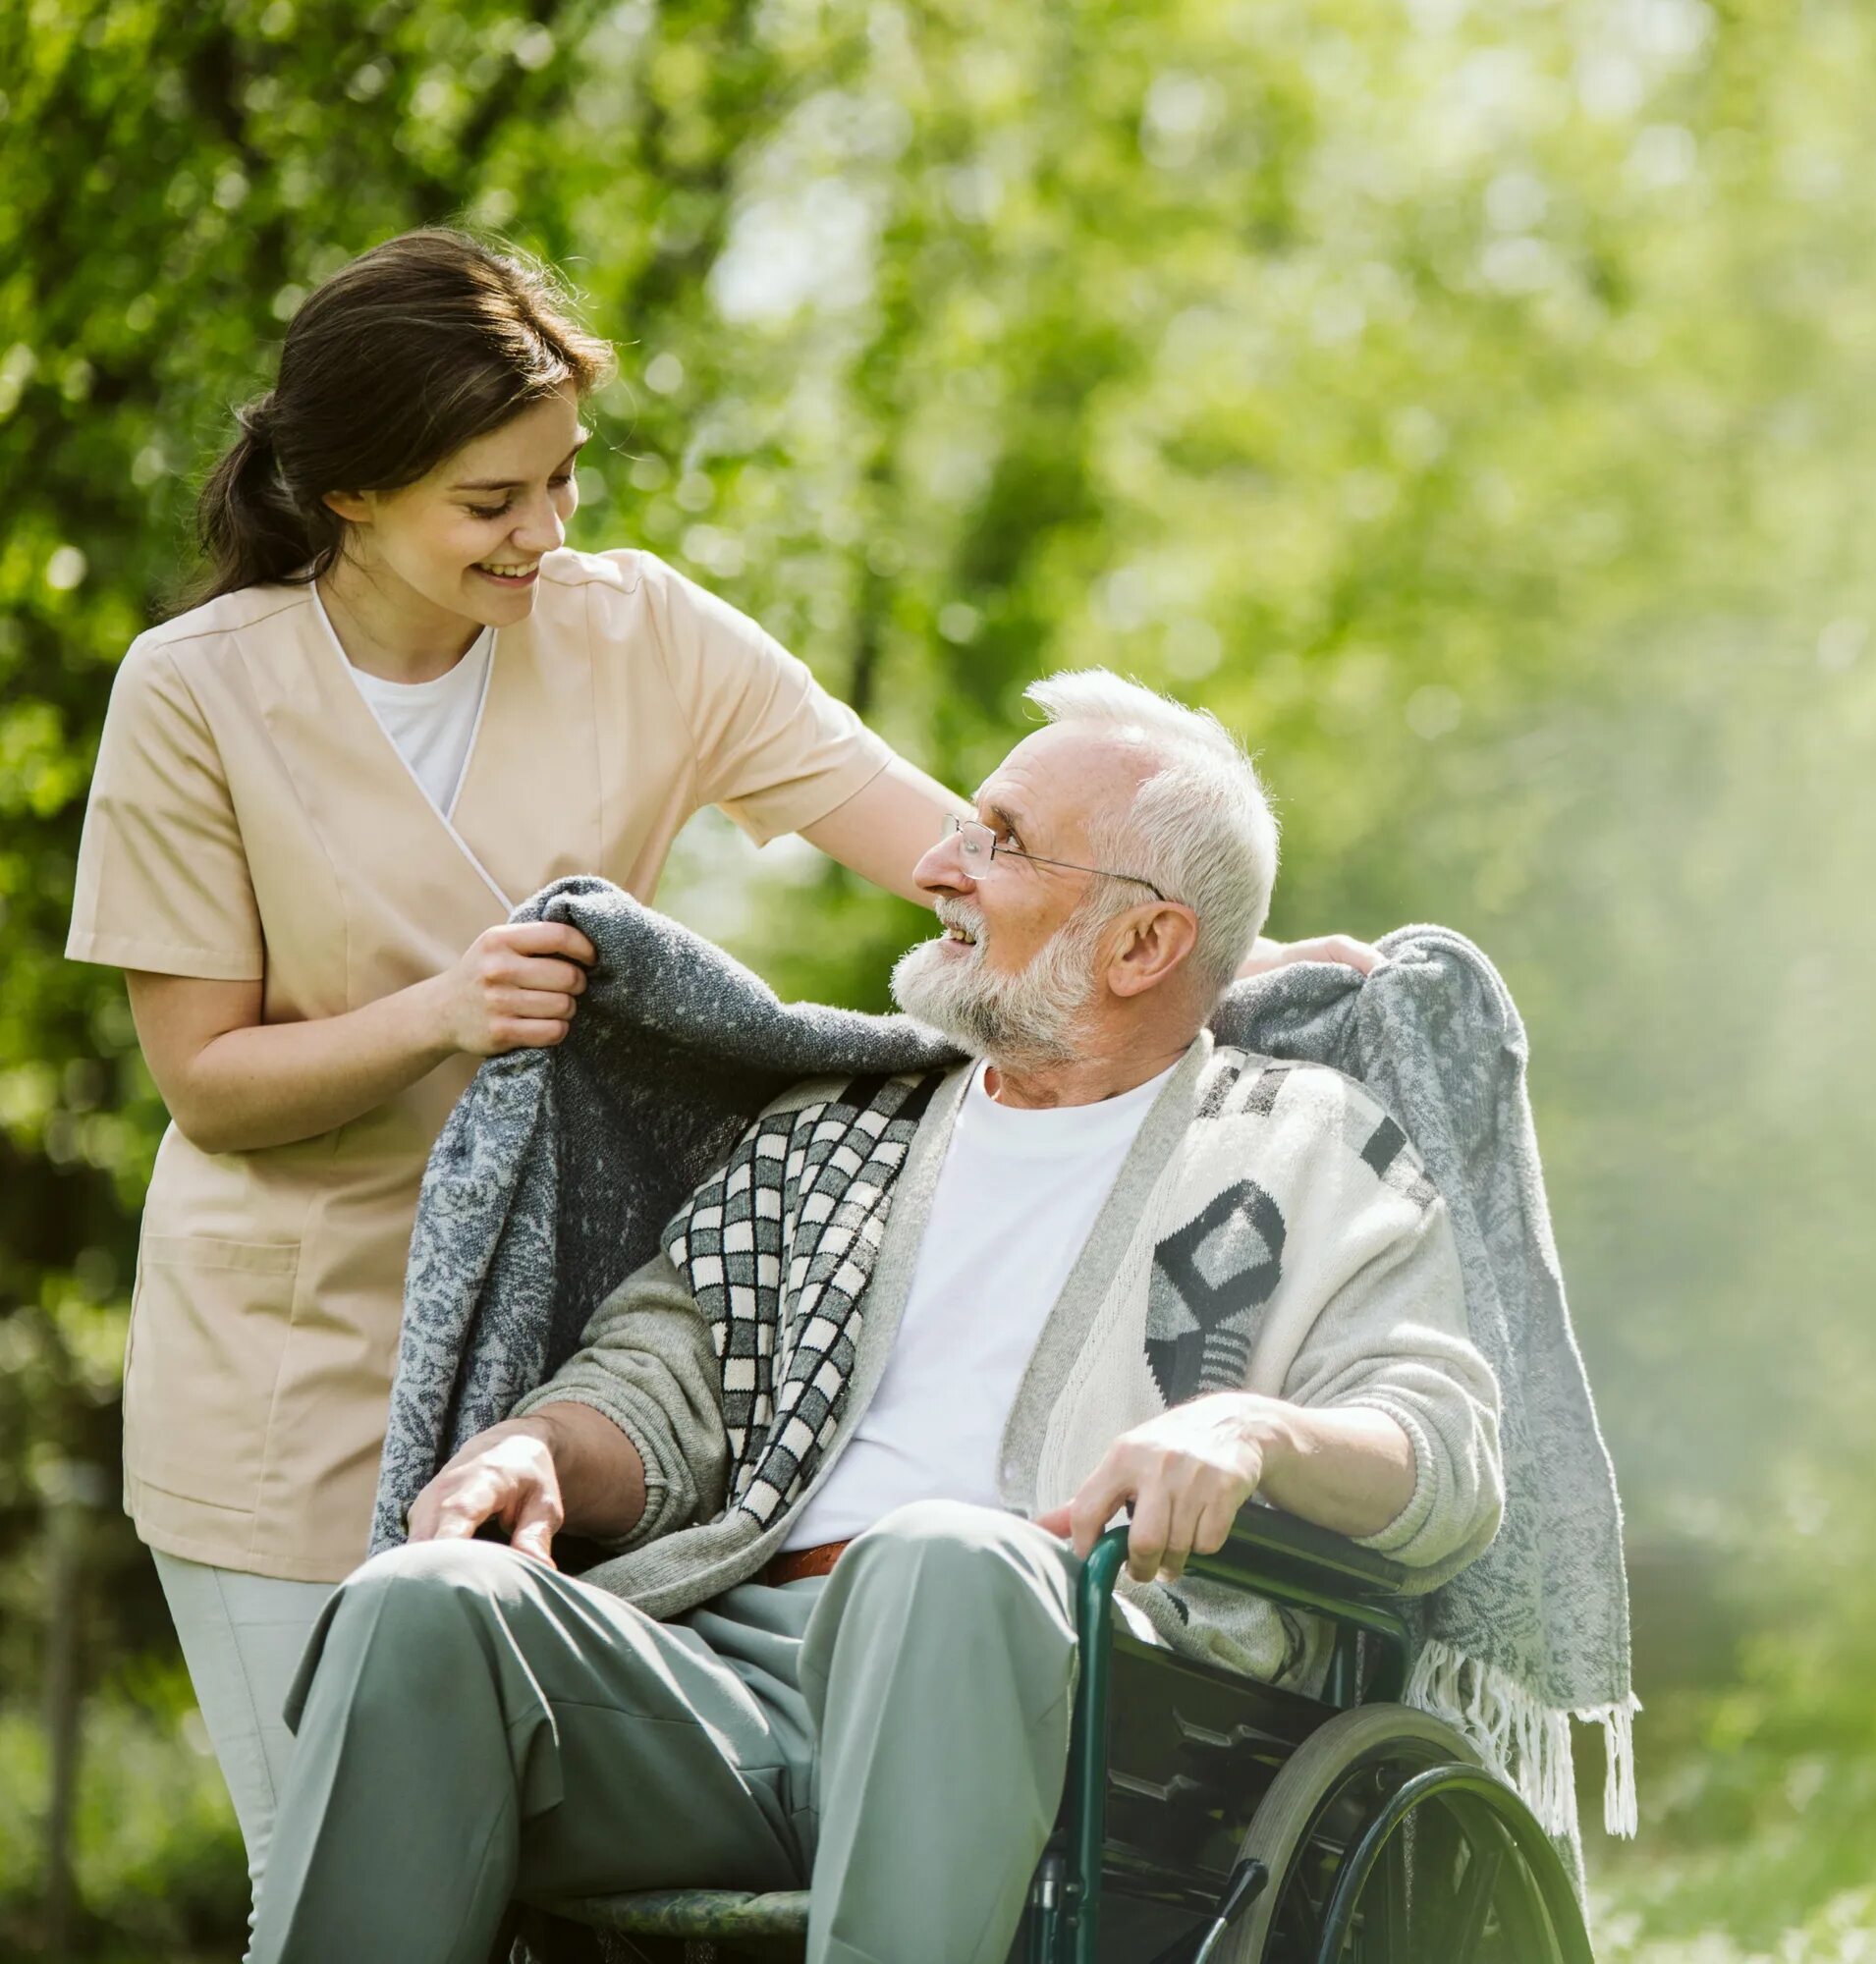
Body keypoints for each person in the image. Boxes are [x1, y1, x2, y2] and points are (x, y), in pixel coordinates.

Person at [60, 230, 1370, 1912]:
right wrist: (446, 1013)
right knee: (322, 1871)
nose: (545, 536)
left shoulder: (644, 637)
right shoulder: (193, 694)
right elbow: (210, 1082)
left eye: (562, 484)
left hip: (571, 1345)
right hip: (290, 1358)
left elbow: (951, 850)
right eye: (490, 503)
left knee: (522, 1885)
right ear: (349, 495)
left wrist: (1225, 948)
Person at [246, 672, 1503, 1964]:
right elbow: (657, 1380)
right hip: (732, 1687)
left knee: (943, 1556)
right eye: (965, 826)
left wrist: (1255, 1432)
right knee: (427, 1602)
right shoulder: (838, 1134)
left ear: (1144, 945)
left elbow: (1445, 1449)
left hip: (1094, 1696)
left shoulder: (1308, 1151)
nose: (942, 867)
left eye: (999, 842)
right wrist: (540, 1447)